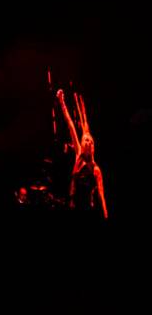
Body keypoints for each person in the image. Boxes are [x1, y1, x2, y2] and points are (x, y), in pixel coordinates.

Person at [56, 88, 108, 219]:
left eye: (91, 140)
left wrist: (105, 215)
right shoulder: (79, 154)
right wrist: (62, 102)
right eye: (86, 140)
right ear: (81, 143)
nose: (89, 142)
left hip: (87, 210)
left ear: (93, 146)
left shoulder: (96, 169)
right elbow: (70, 124)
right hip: (72, 206)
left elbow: (101, 196)